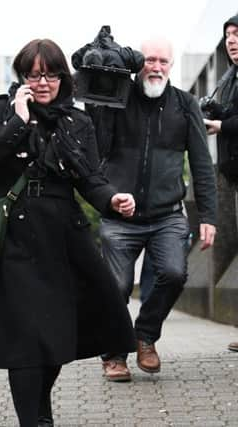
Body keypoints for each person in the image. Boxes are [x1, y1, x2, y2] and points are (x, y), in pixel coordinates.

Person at [0, 38, 136, 426]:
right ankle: (35, 421)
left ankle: (41, 407)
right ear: (22, 77)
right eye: (33, 74)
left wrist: (112, 200)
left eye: (50, 74)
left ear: (63, 76)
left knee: (63, 334)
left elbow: (91, 179)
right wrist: (18, 120)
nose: (42, 82)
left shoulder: (77, 121)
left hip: (65, 237)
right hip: (15, 236)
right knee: (25, 341)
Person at [89, 37, 217, 381]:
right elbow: (98, 145)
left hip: (168, 215)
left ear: (171, 65)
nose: (156, 67)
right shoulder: (119, 98)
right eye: (150, 60)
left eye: (163, 61)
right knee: (116, 287)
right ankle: (113, 355)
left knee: (174, 273)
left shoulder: (185, 104)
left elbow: (202, 164)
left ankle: (145, 335)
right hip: (120, 217)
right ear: (138, 63)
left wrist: (208, 217)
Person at [202, 15, 238, 353]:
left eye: (237, 34)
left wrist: (221, 126)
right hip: (231, 170)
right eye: (228, 34)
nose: (232, 40)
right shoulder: (229, 76)